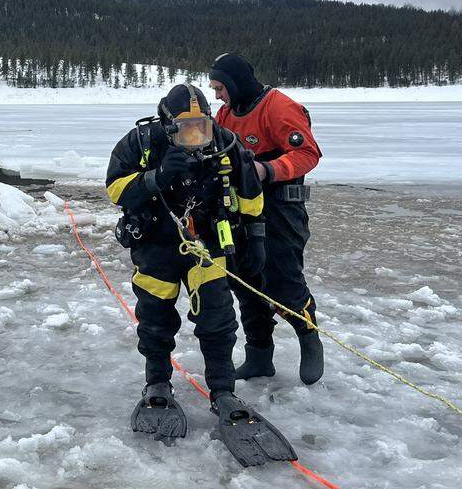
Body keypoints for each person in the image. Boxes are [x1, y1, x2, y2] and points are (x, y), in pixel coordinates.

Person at [106, 84, 294, 466]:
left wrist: (256, 238)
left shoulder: (225, 143)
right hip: (156, 246)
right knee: (155, 320)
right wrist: (155, 178)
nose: (195, 137)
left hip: (206, 245)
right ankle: (157, 383)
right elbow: (114, 189)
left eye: (201, 127)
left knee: (218, 320)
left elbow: (250, 195)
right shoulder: (140, 142)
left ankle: (223, 392)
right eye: (185, 128)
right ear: (166, 124)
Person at [209, 52, 324, 385]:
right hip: (240, 209)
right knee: (245, 280)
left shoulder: (279, 107)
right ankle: (259, 355)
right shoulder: (226, 114)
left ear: (235, 83)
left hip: (280, 209)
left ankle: (309, 336)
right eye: (214, 89)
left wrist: (267, 169)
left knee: (282, 277)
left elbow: (307, 153)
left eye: (220, 87)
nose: (217, 95)